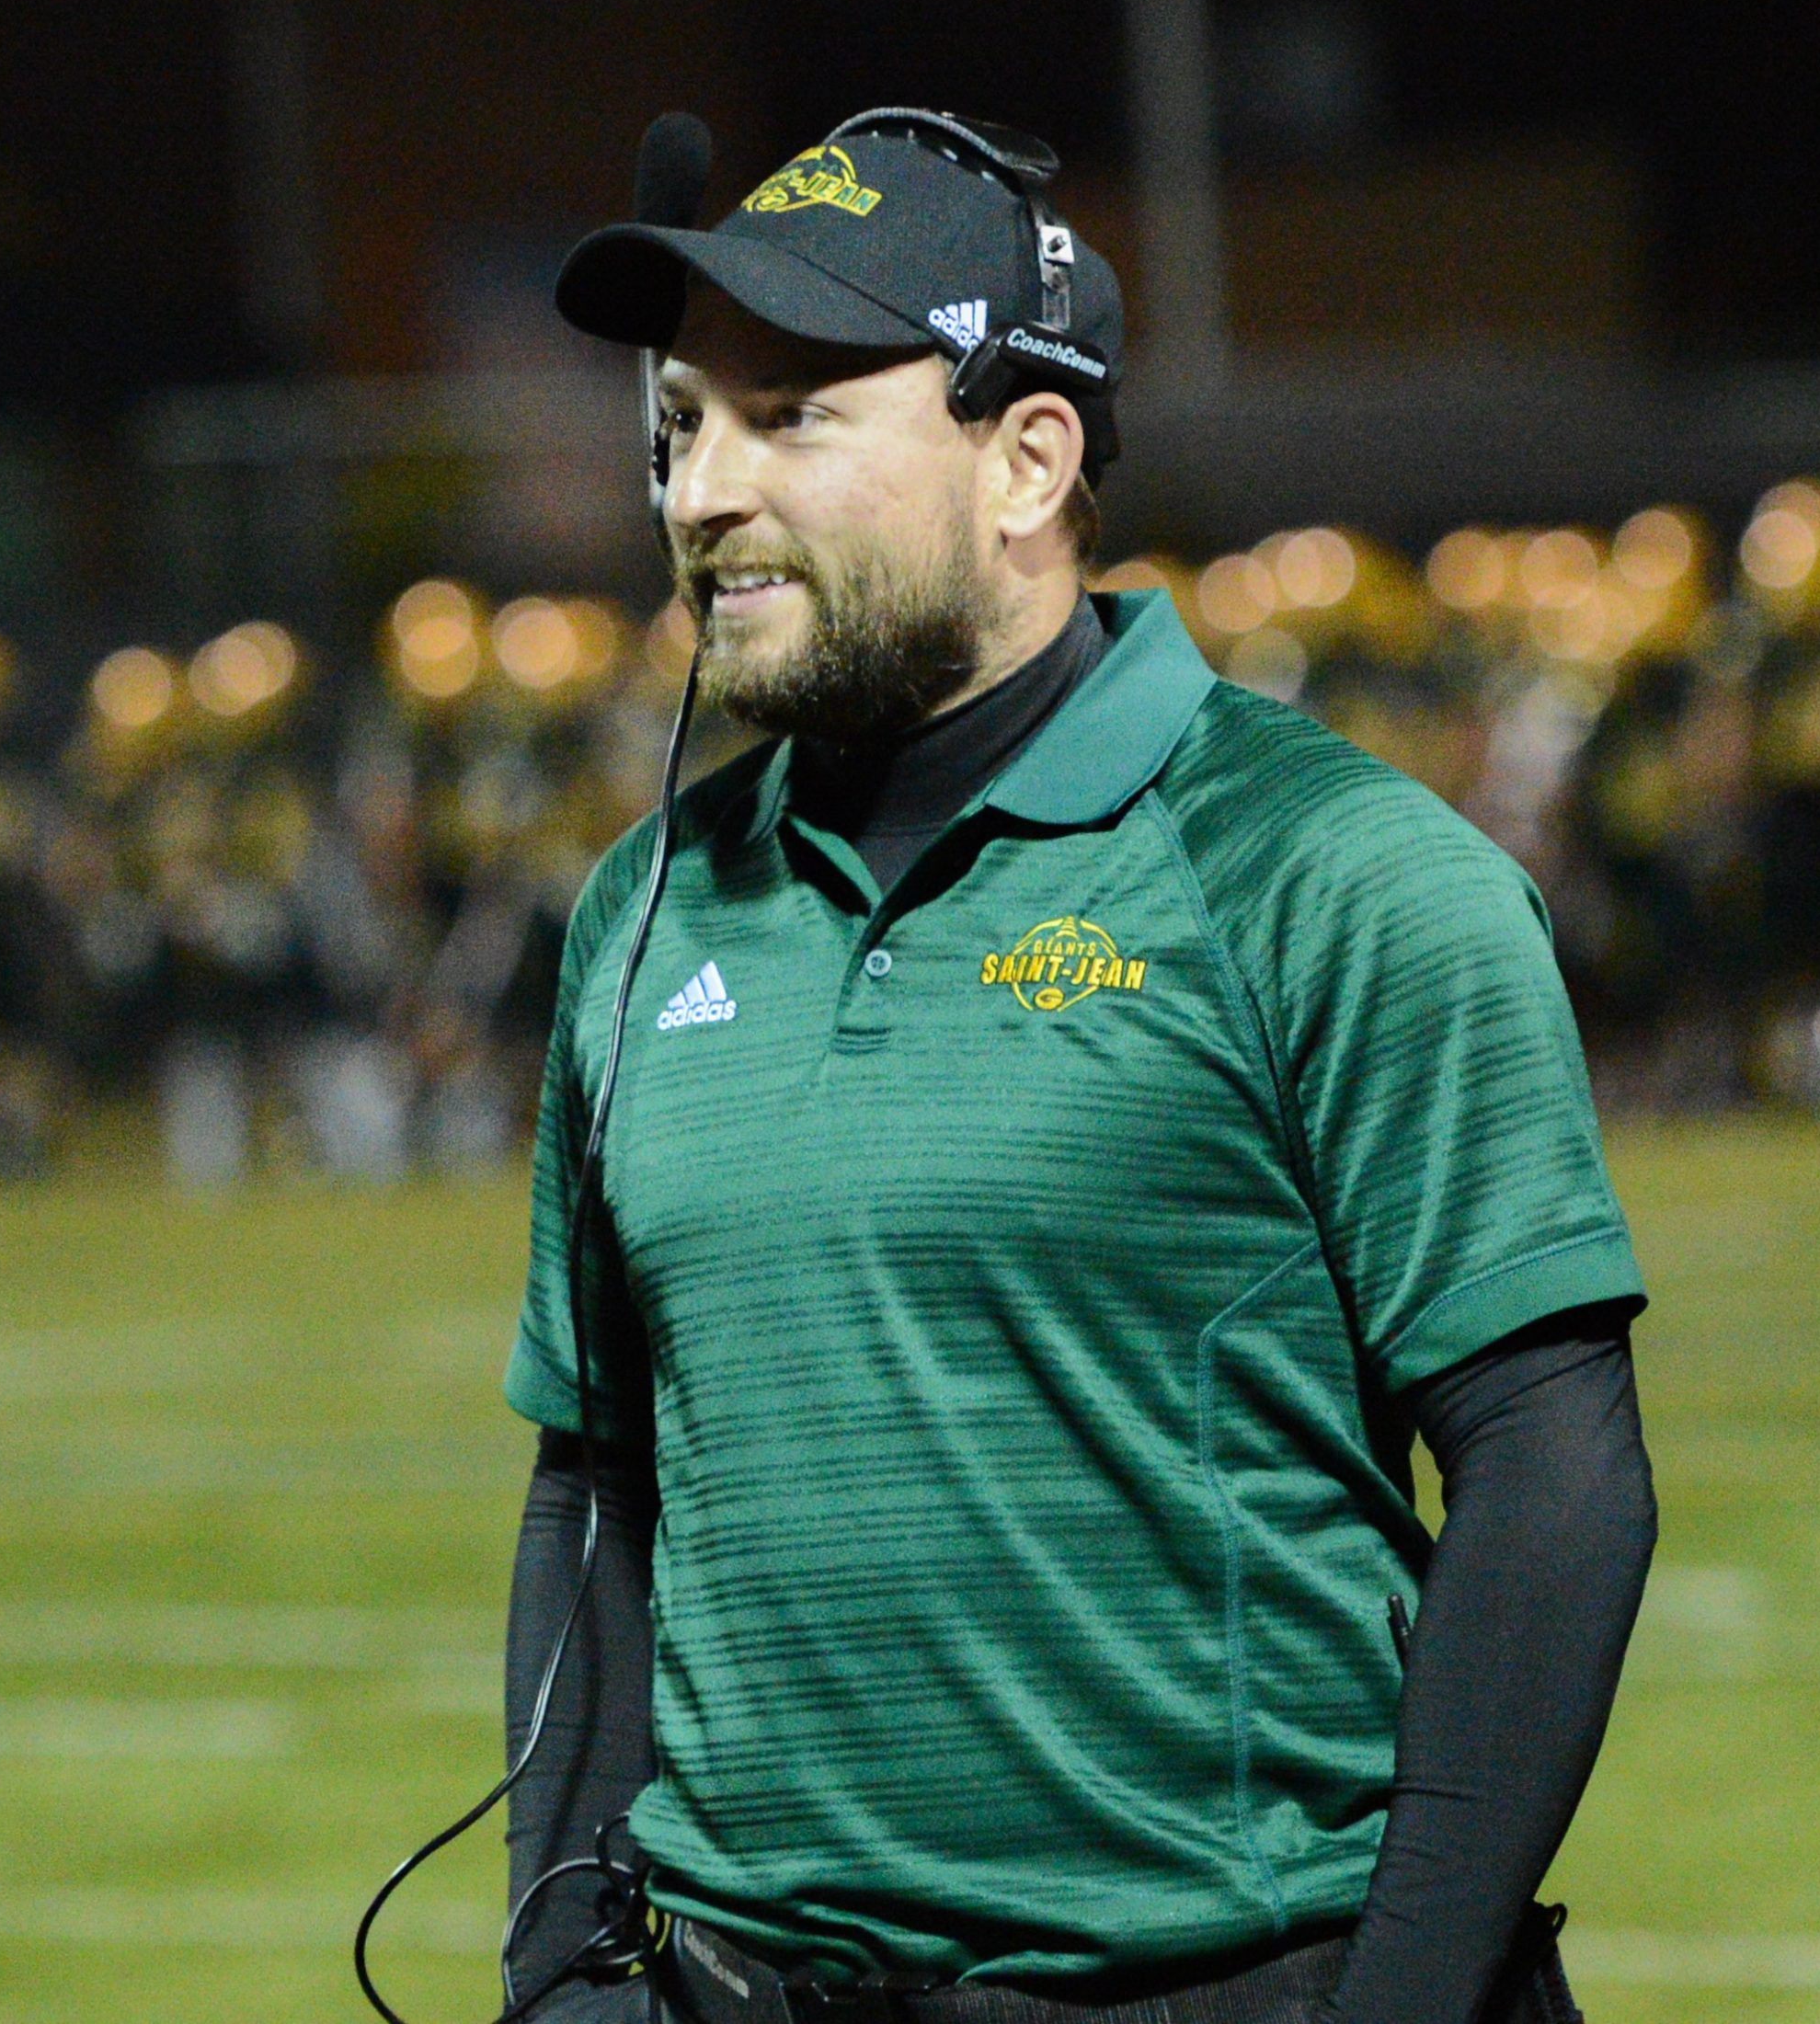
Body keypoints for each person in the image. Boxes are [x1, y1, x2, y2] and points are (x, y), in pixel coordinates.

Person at [501, 112, 1657, 2024]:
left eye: (792, 417)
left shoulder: (1331, 869)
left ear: (1027, 460)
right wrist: (559, 1974)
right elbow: (591, 1484)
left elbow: (1555, 1472)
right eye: (682, 424)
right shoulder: (644, 907)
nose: (703, 490)